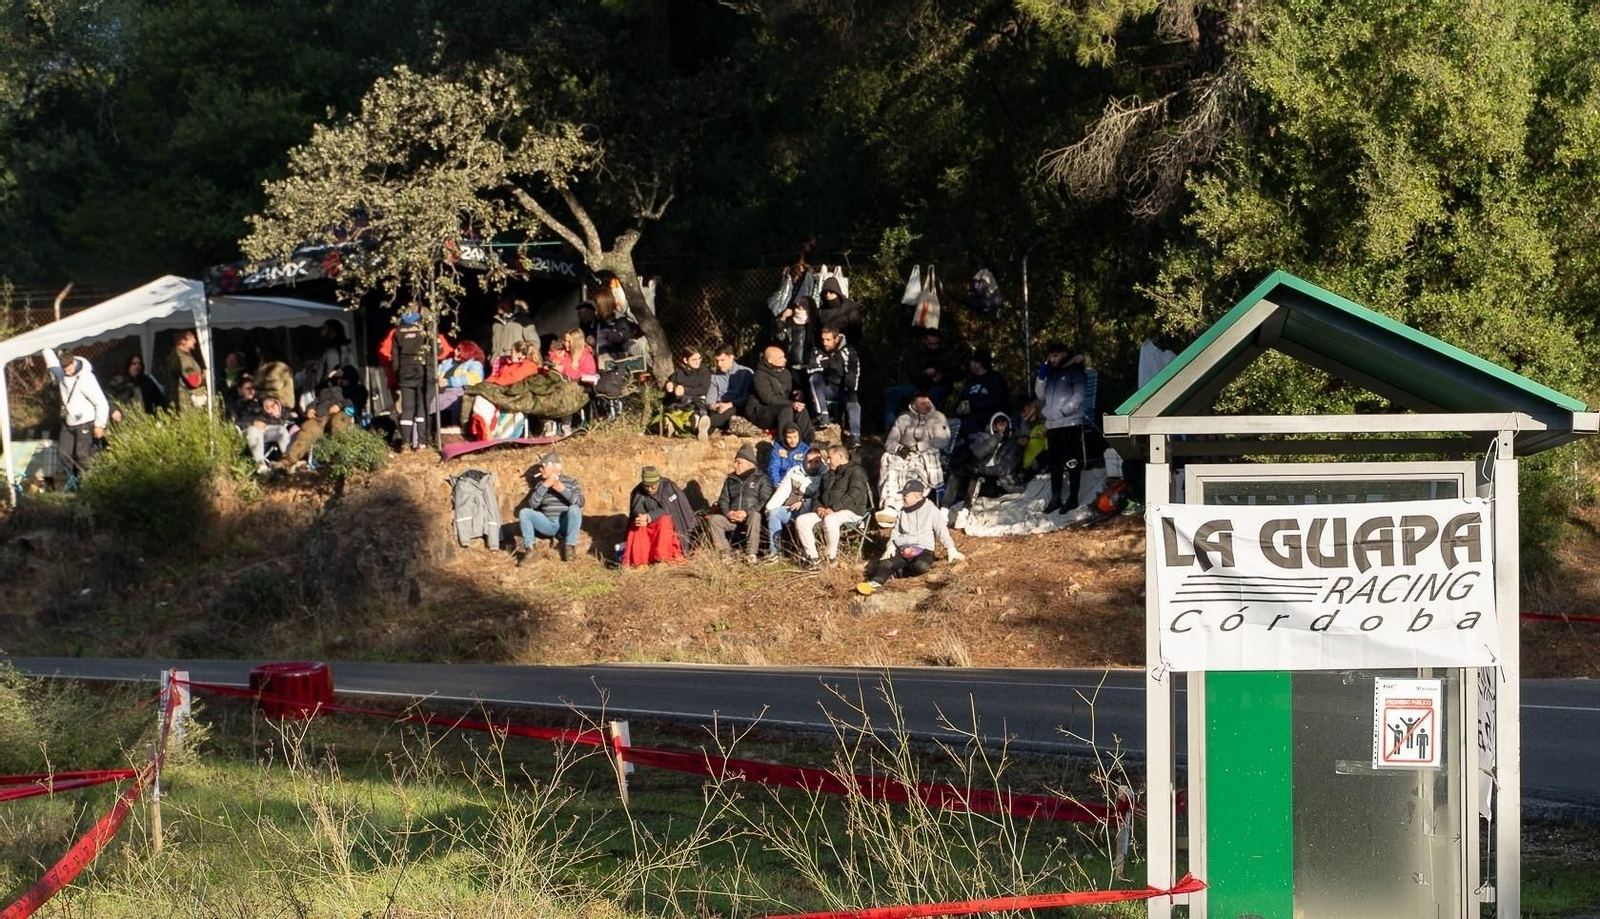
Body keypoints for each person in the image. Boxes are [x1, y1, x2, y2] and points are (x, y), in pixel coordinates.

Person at [856, 479, 966, 596]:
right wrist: (891, 546)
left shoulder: (931, 510)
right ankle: (874, 584)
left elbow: (941, 530)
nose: (903, 498)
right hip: (903, 548)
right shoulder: (902, 511)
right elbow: (896, 532)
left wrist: (951, 548)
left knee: (922, 566)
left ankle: (895, 573)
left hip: (924, 549)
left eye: (906, 495)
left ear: (916, 496)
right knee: (885, 563)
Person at [794, 443, 872, 568]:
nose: (827, 461)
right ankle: (813, 558)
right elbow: (817, 496)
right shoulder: (828, 475)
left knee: (831, 519)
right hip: (827, 512)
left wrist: (833, 508)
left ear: (840, 457)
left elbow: (854, 494)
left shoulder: (856, 471)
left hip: (852, 511)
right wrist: (818, 507)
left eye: (830, 458)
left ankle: (830, 558)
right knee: (802, 520)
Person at [878, 393, 951, 522]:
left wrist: (921, 446)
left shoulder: (937, 418)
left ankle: (901, 506)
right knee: (891, 468)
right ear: (913, 404)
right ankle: (889, 506)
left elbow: (943, 440)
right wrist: (899, 449)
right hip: (903, 455)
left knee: (913, 475)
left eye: (928, 402)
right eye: (922, 403)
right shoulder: (903, 419)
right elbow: (890, 442)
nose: (926, 405)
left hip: (924, 456)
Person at [41, 347, 109, 487]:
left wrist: (99, 424)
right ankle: (75, 483)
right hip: (68, 422)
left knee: (82, 455)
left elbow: (102, 402)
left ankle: (90, 486)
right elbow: (50, 360)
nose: (67, 371)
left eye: (69, 368)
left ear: (74, 362)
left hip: (85, 423)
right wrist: (45, 345)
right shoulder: (61, 373)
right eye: (64, 369)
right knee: (63, 456)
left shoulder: (87, 378)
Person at [945, 412, 1024, 527]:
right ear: (992, 426)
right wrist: (994, 440)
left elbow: (1003, 469)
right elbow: (977, 453)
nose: (1002, 427)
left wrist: (980, 470)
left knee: (977, 475)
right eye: (998, 424)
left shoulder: (1013, 445)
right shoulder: (984, 438)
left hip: (999, 484)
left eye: (1004, 423)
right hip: (979, 479)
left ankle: (965, 512)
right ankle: (944, 510)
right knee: (957, 472)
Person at [1035, 343, 1088, 515]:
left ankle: (1073, 498)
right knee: (1055, 464)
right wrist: (1041, 377)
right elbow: (1040, 395)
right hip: (1053, 425)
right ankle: (1055, 499)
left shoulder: (1075, 370)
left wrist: (1063, 412)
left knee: (1072, 461)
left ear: (1065, 354)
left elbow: (1079, 395)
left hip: (1070, 424)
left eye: (1056, 355)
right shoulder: (1051, 373)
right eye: (1050, 356)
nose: (1052, 359)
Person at [707, 443, 772, 562]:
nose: (735, 465)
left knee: (755, 515)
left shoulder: (762, 479)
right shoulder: (730, 480)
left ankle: (751, 553)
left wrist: (746, 513)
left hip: (751, 519)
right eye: (735, 462)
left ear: (749, 464)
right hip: (732, 518)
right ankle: (725, 552)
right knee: (714, 520)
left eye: (739, 462)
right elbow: (723, 499)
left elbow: (765, 500)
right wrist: (728, 513)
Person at [883, 327, 959, 429]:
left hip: (940, 386)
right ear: (925, 340)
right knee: (891, 393)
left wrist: (941, 376)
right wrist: (924, 373)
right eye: (930, 344)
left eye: (935, 344)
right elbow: (912, 373)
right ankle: (890, 427)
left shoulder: (947, 352)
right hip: (919, 385)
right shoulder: (916, 351)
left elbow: (958, 372)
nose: (933, 347)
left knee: (931, 397)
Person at [516, 453, 584, 564]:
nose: (540, 469)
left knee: (574, 509)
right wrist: (545, 486)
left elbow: (580, 502)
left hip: (564, 524)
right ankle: (531, 551)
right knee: (524, 512)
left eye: (543, 466)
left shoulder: (571, 482)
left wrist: (563, 490)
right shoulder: (540, 485)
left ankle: (569, 547)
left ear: (554, 467)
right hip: (547, 524)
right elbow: (532, 504)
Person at [622, 466, 695, 568]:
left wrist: (650, 516)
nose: (650, 490)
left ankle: (662, 559)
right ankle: (640, 561)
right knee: (637, 524)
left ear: (658, 482)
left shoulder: (669, 488)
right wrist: (641, 516)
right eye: (646, 487)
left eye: (653, 487)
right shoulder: (638, 491)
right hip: (648, 524)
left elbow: (670, 509)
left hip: (666, 525)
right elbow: (637, 507)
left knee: (664, 520)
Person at [281, 368, 355, 467]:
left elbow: (354, 403)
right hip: (320, 417)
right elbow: (315, 402)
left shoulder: (353, 391)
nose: (341, 381)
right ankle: (289, 460)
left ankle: (341, 458)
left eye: (344, 379)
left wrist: (339, 405)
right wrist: (310, 409)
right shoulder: (324, 391)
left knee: (338, 422)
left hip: (340, 414)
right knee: (307, 429)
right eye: (339, 378)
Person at [766, 447, 824, 560]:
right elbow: (783, 491)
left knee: (803, 520)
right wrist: (769, 508)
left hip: (813, 510)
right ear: (804, 461)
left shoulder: (825, 473)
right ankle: (775, 551)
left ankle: (807, 554)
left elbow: (822, 496)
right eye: (810, 462)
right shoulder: (795, 471)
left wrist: (804, 502)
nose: (813, 465)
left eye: (816, 462)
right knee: (774, 513)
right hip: (793, 508)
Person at [747, 345, 815, 441]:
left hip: (781, 407)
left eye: (784, 357)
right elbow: (768, 398)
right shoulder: (759, 376)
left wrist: (796, 393)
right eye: (780, 358)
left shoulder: (786, 373)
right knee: (786, 410)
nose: (785, 360)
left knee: (801, 409)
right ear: (770, 360)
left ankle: (809, 441)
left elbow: (789, 391)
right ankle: (783, 442)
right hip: (761, 412)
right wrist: (791, 404)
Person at [807, 326, 860, 443]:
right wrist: (829, 368)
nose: (824, 342)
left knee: (853, 399)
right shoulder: (817, 350)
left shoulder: (848, 352)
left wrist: (850, 388)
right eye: (823, 339)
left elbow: (853, 372)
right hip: (826, 388)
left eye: (828, 340)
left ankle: (855, 436)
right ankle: (823, 415)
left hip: (844, 389)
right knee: (814, 379)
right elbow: (811, 369)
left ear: (836, 339)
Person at [953, 349, 1009, 444]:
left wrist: (973, 406)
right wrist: (960, 407)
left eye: (972, 361)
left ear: (978, 363)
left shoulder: (995, 379)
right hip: (966, 416)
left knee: (967, 425)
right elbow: (962, 398)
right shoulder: (971, 381)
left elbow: (996, 401)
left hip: (986, 417)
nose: (970, 364)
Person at [664, 346, 712, 439]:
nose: (698, 362)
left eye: (699, 358)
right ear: (686, 360)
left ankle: (698, 422)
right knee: (677, 403)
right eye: (694, 360)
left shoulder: (704, 372)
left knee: (697, 406)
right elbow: (671, 387)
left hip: (697, 401)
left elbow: (704, 389)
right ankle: (675, 423)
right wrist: (669, 387)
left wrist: (685, 390)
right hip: (681, 403)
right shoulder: (679, 373)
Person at [238, 391, 292, 475]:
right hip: (247, 431)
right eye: (248, 389)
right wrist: (253, 422)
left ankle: (290, 462)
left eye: (273, 406)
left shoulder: (281, 412)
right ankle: (260, 466)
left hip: (264, 431)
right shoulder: (241, 404)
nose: (271, 409)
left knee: (281, 430)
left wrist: (267, 419)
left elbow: (279, 421)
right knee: (254, 430)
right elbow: (238, 421)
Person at [436, 340, 486, 425]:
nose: (455, 351)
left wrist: (449, 382)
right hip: (440, 391)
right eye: (456, 349)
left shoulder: (474, 364)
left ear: (467, 351)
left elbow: (474, 378)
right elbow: (437, 374)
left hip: (458, 392)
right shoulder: (447, 363)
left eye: (459, 350)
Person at [706, 344, 753, 433]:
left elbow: (747, 397)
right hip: (719, 407)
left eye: (722, 360)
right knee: (711, 412)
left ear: (731, 357)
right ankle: (707, 427)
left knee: (731, 411)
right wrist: (714, 406)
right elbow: (710, 399)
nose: (719, 364)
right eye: (717, 361)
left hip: (736, 406)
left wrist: (730, 404)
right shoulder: (714, 377)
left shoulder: (746, 373)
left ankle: (706, 426)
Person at [164, 329, 208, 412]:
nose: (195, 341)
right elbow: (194, 382)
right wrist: (205, 375)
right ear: (183, 341)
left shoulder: (177, 356)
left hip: (180, 403)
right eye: (191, 339)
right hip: (186, 405)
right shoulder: (183, 359)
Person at [490, 294, 540, 367]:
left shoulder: (523, 321)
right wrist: (492, 359)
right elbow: (493, 348)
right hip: (496, 368)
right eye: (497, 303)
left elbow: (535, 344)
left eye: (502, 302)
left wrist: (520, 358)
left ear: (510, 302)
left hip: (515, 368)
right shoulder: (496, 324)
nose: (498, 305)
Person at [775, 296, 815, 387]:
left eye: (803, 304)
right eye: (798, 303)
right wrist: (782, 319)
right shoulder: (789, 322)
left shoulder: (813, 325)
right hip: (791, 365)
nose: (799, 305)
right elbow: (780, 337)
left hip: (809, 366)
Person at [817, 275, 861, 347]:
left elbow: (856, 330)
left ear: (837, 292)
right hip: (825, 348)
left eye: (831, 292)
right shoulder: (821, 310)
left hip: (845, 348)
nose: (828, 295)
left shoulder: (849, 307)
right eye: (825, 292)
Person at [254, 346, 296, 411]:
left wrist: (257, 385)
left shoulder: (280, 366)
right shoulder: (263, 365)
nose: (259, 356)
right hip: (268, 403)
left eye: (260, 353)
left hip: (283, 404)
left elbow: (276, 385)